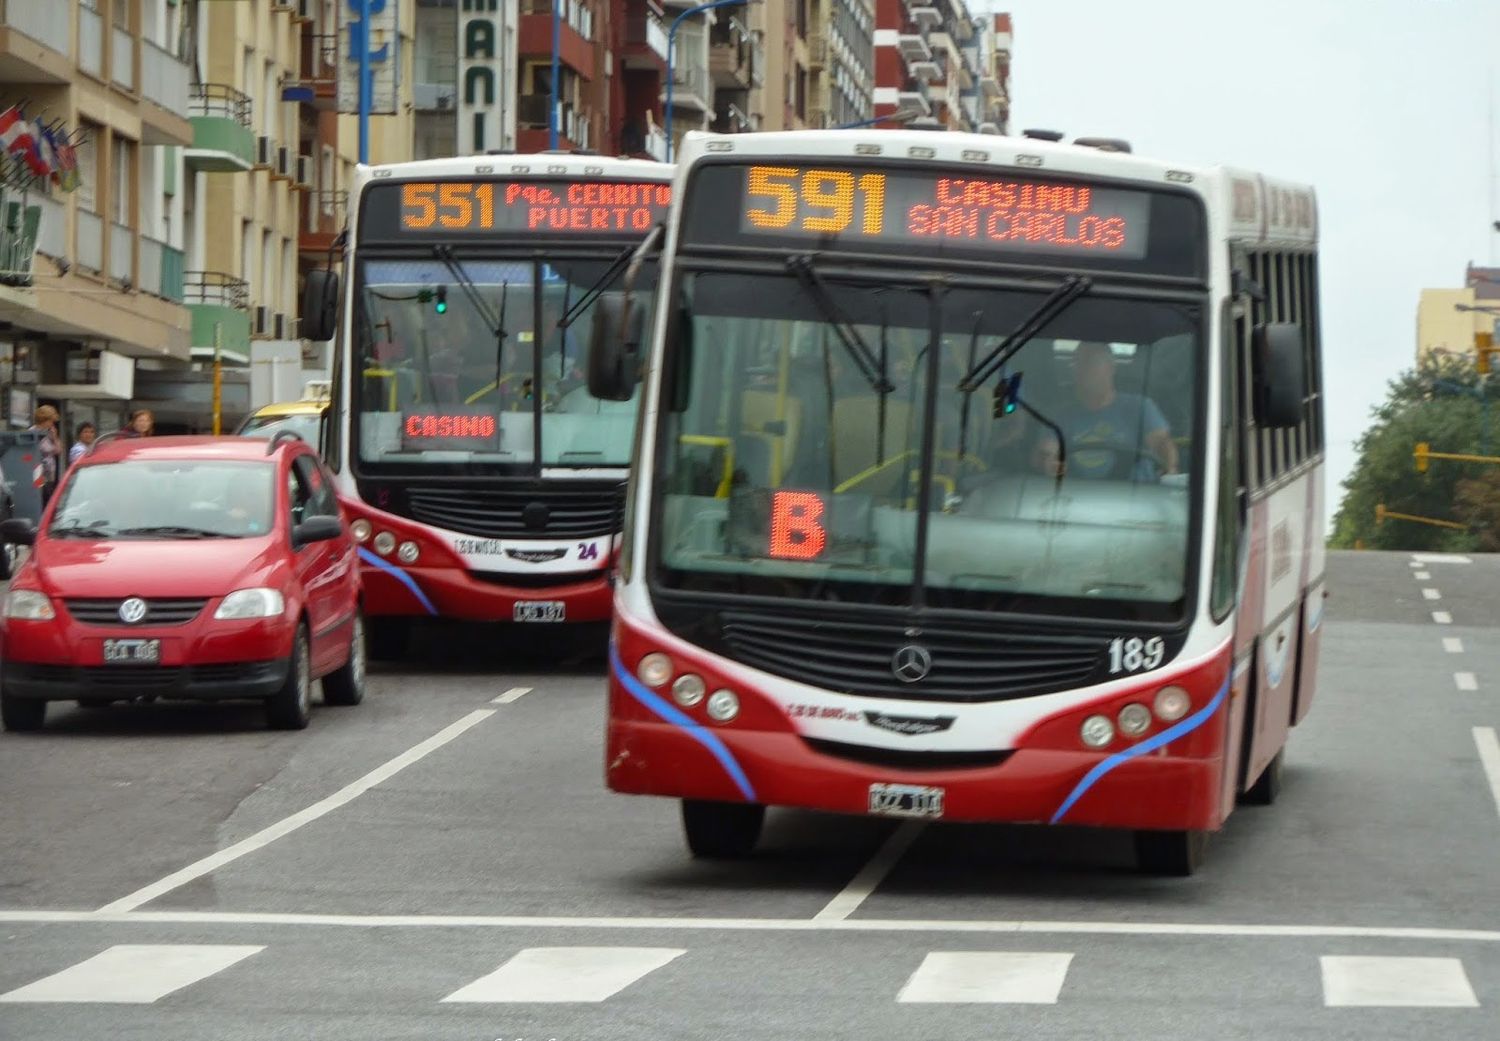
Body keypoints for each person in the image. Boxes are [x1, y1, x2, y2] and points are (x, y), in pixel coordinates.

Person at [1034, 341, 1179, 481]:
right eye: (1079, 364)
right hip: (1075, 499)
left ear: (1111, 368)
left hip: (1136, 497)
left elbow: (1161, 442)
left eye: (1092, 362)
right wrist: (1047, 460)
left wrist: (1169, 467)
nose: (1084, 370)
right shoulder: (1060, 416)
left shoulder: (1141, 407)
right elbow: (1046, 451)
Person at [28, 405, 61, 507]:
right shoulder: (33, 433)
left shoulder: (48, 434)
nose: (52, 424)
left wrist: (55, 437)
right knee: (44, 503)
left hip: (49, 476)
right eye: (51, 421)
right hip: (39, 476)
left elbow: (59, 451)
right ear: (44, 420)